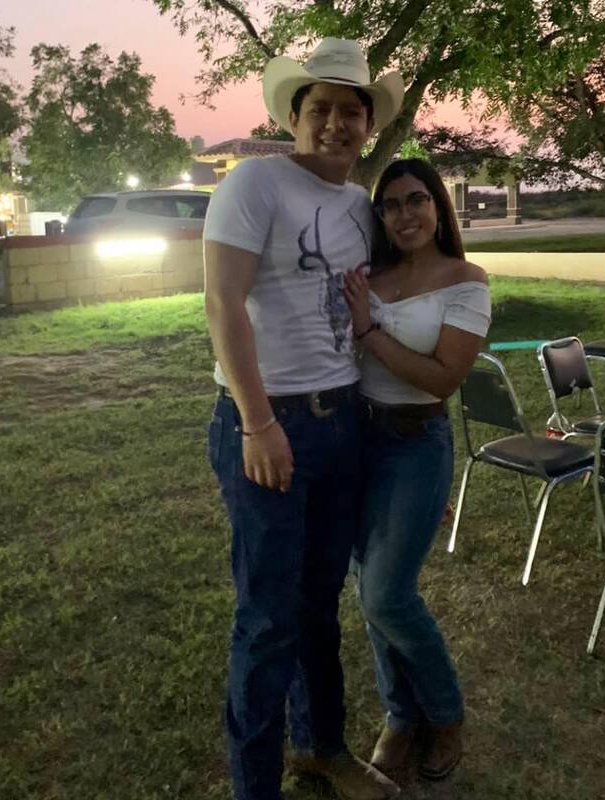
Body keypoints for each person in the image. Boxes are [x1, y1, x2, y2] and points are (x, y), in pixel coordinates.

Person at [204, 38, 405, 800]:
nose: (335, 124)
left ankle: (322, 747)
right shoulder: (255, 183)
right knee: (267, 619)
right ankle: (254, 786)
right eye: (319, 109)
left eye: (351, 111)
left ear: (368, 124)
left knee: (320, 605)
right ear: (293, 116)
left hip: (342, 422)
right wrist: (258, 425)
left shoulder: (358, 206)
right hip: (270, 422)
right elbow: (222, 304)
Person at [343, 158, 491, 782]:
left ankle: (445, 712)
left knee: (386, 592)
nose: (404, 215)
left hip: (416, 444)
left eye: (416, 200)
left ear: (438, 206)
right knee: (367, 587)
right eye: (391, 205)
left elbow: (442, 378)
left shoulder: (466, 281)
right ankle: (401, 716)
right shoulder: (369, 276)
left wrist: (368, 331)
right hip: (357, 440)